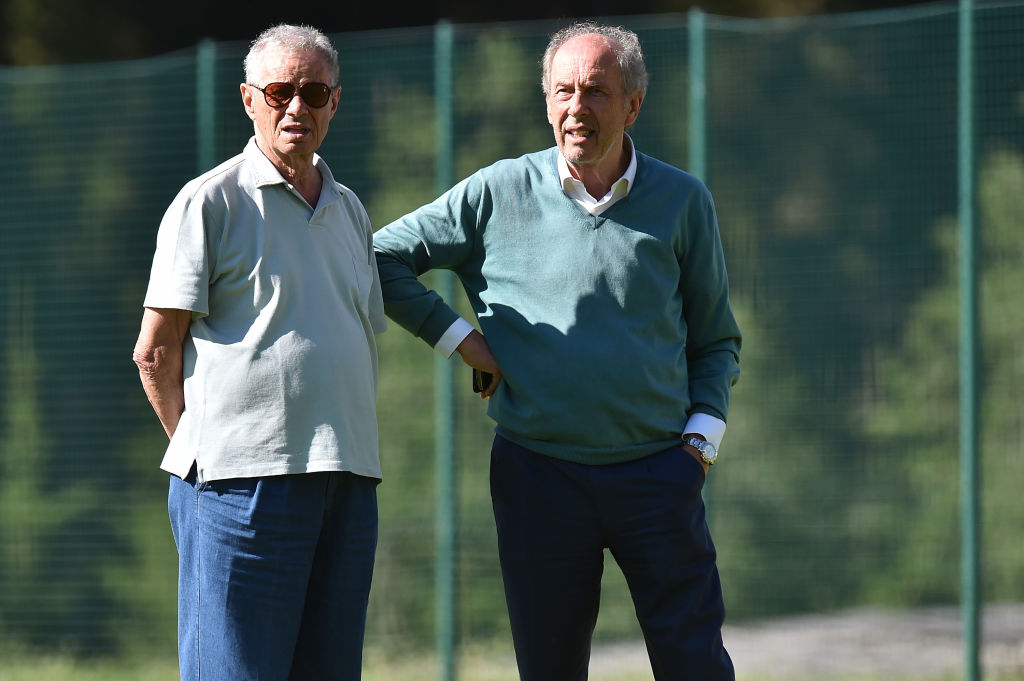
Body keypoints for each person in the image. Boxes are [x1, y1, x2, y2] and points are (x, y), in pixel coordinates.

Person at [373, 20, 741, 681]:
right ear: (546, 102)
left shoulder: (683, 200)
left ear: (633, 104)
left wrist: (701, 442)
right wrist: (462, 340)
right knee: (548, 668)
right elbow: (379, 256)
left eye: (597, 91)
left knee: (695, 667)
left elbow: (716, 337)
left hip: (660, 472)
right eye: (563, 91)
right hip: (538, 475)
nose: (577, 108)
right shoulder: (497, 192)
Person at [132, 24, 386, 681]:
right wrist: (210, 455)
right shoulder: (208, 202)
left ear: (336, 102)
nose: (295, 106)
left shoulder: (351, 209)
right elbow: (156, 352)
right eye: (279, 91)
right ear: (249, 100)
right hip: (238, 485)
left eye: (312, 91)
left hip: (347, 481)